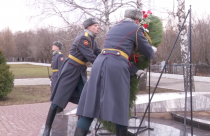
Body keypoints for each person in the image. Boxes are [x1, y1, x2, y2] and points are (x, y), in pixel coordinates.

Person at [74, 9, 157, 136]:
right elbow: (148, 53)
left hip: (99, 64)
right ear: (137, 20)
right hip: (116, 67)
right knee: (120, 105)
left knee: (91, 105)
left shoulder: (113, 28)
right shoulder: (136, 29)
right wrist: (153, 49)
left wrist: (134, 69)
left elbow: (113, 51)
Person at [42, 18, 101, 136]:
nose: (97, 27)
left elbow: (98, 53)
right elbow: (91, 56)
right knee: (58, 99)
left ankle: (81, 128)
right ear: (89, 27)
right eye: (95, 25)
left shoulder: (92, 40)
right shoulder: (83, 38)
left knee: (84, 99)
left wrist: (109, 56)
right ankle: (47, 128)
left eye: (97, 25)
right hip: (71, 69)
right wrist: (103, 66)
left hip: (80, 71)